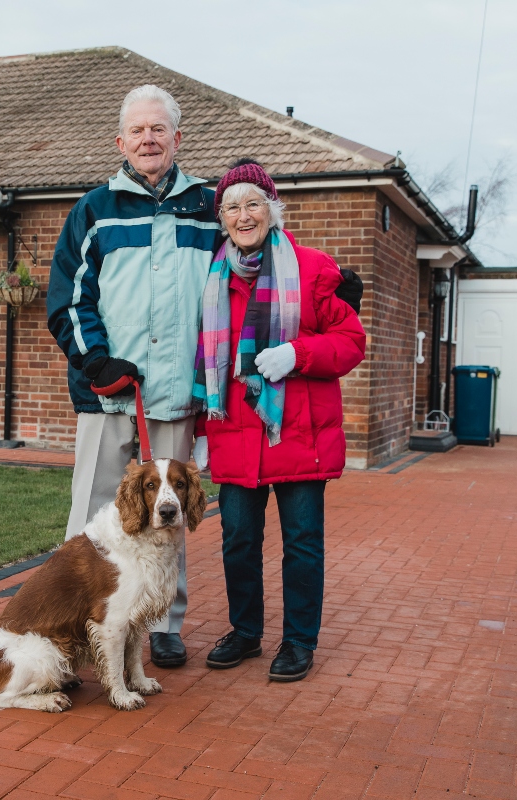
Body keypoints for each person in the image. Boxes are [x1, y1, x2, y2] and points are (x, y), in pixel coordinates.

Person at [46, 85, 220, 668]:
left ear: (177, 137)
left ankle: (162, 624)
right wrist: (95, 359)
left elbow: (256, 260)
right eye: (137, 131)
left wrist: (325, 285)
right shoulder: (94, 210)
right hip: (106, 393)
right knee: (93, 517)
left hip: (173, 397)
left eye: (159, 128)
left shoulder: (208, 207)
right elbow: (70, 297)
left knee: (167, 517)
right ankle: (69, 623)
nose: (148, 139)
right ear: (120, 142)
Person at [194, 158, 366, 682]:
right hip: (234, 433)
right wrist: (203, 430)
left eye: (253, 204)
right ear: (221, 218)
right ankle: (246, 633)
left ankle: (297, 642)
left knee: (302, 544)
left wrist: (297, 353)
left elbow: (350, 341)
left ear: (272, 210)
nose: (243, 216)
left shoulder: (313, 268)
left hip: (298, 433)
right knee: (238, 542)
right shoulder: (211, 279)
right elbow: (200, 358)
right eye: (232, 207)